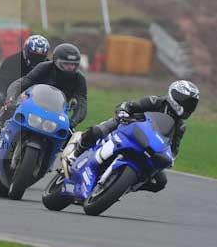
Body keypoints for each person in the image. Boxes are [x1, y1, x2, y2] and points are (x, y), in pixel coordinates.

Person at [65, 80, 200, 192]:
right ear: (175, 96)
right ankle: (75, 154)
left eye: (192, 104)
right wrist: (123, 111)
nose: (189, 107)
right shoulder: (155, 102)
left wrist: (171, 159)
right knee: (98, 131)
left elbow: (174, 148)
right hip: (126, 127)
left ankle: (125, 187)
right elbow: (130, 105)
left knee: (160, 181)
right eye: (187, 102)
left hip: (148, 147)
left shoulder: (180, 126)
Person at [0, 35, 50, 145]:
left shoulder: (48, 68)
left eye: (40, 57)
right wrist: (1, 95)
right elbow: (0, 79)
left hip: (36, 101)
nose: (36, 60)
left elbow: (54, 87)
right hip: (12, 97)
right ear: (26, 52)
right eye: (33, 56)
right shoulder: (12, 62)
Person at [3, 43, 87, 127]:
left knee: (70, 137)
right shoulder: (44, 67)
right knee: (8, 115)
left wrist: (73, 121)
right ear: (56, 61)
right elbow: (21, 82)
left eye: (73, 65)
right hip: (33, 105)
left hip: (58, 113)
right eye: (66, 64)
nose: (70, 68)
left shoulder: (79, 78)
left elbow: (82, 102)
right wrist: (11, 100)